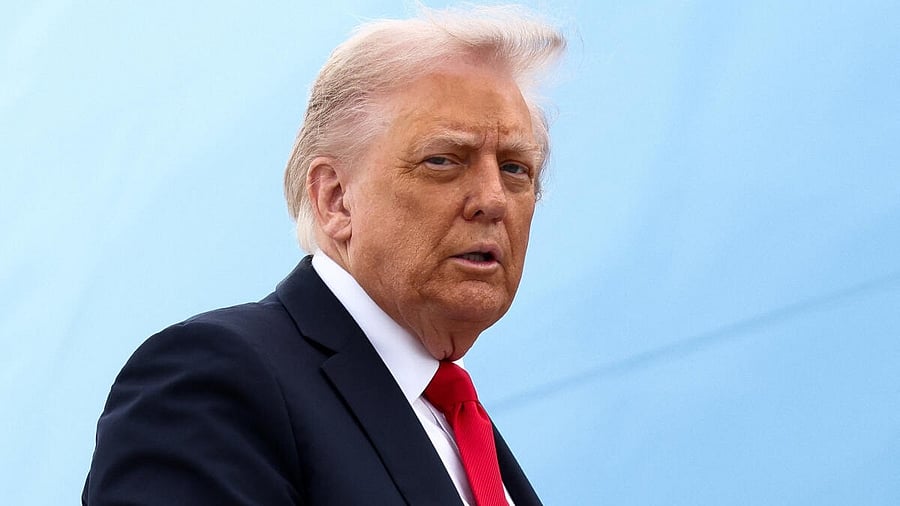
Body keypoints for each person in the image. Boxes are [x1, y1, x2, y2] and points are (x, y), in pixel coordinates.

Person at [83, 4, 565, 505]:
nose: (492, 199)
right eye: (443, 160)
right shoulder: (215, 381)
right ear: (335, 199)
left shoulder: (454, 419)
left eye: (515, 169)